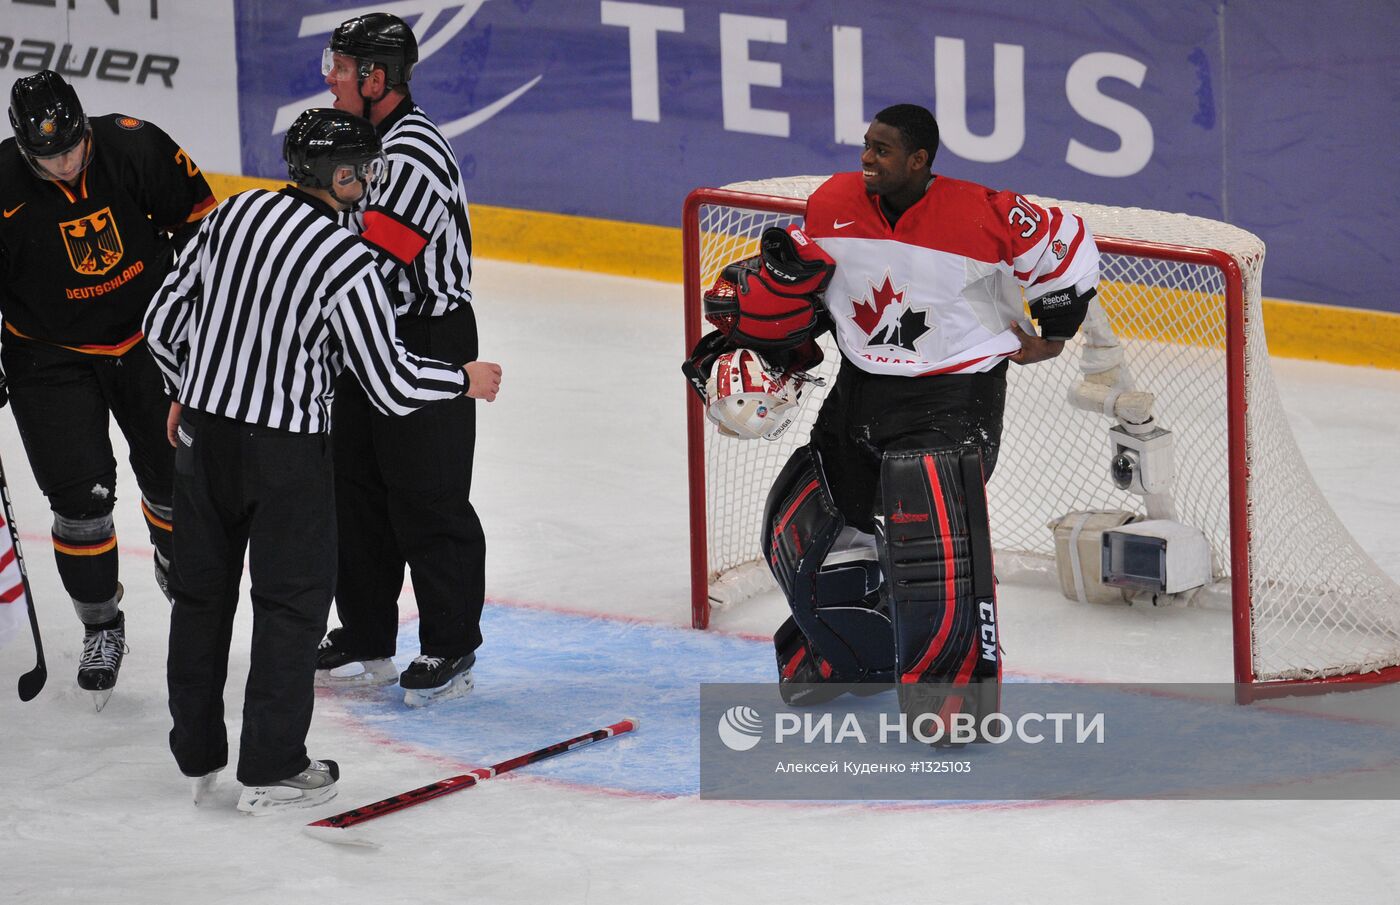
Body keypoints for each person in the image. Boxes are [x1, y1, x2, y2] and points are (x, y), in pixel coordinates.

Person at [695, 104, 1100, 737]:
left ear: (919, 160)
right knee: (802, 527)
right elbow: (819, 288)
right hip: (862, 387)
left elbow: (1066, 243)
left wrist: (1056, 329)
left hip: (952, 396)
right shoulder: (832, 201)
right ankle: (846, 661)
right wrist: (774, 337)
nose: (867, 158)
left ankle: (954, 702)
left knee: (935, 545)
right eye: (865, 145)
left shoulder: (984, 211)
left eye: (882, 149)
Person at [143, 108, 502, 813]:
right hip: (285, 456)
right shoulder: (345, 259)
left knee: (199, 596)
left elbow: (161, 323)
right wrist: (463, 379)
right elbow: (391, 382)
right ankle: (272, 764)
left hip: (205, 443)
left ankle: (196, 752)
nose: (371, 180)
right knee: (288, 605)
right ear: (340, 176)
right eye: (365, 169)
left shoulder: (235, 214)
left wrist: (184, 389)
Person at [0, 70, 214, 710]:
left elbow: (204, 228)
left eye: (71, 149)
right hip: (49, 358)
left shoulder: (136, 146)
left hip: (149, 342)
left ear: (86, 130)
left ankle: (180, 572)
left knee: (174, 474)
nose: (63, 165)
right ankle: (101, 625)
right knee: (81, 501)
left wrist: (190, 308)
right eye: (47, 157)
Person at [313, 12, 489, 708]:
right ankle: (366, 632)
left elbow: (374, 263)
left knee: (427, 496)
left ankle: (450, 643)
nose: (331, 76)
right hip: (369, 332)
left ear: (375, 78)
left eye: (343, 65)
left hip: (426, 334)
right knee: (354, 492)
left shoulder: (412, 152)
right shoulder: (360, 141)